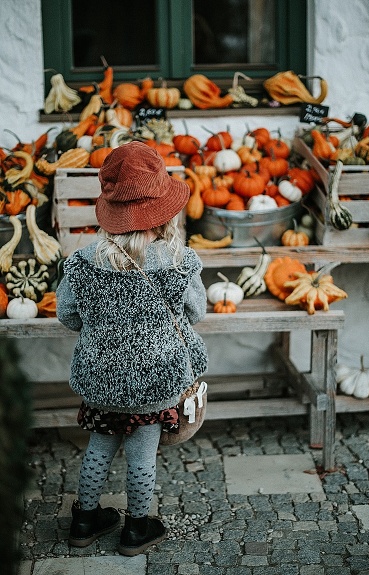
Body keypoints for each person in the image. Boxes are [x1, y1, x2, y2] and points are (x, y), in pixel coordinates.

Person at [56, 141, 208, 555]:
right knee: (142, 454)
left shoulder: (83, 261)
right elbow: (195, 312)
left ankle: (84, 521)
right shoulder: (181, 261)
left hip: (101, 377)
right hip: (155, 380)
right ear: (165, 210)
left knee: (100, 446)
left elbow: (68, 315)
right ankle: (136, 529)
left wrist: (108, 327)